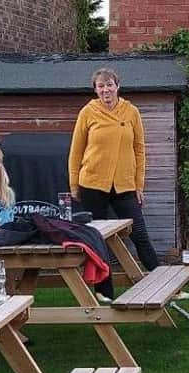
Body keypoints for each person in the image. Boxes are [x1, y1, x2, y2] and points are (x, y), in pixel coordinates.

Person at [69, 68, 158, 302]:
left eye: (109, 85)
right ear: (95, 89)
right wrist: (73, 183)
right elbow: (76, 151)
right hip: (92, 183)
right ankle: (104, 291)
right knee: (97, 238)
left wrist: (139, 185)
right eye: (100, 86)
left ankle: (161, 281)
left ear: (117, 86)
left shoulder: (131, 112)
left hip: (124, 184)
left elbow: (139, 149)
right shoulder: (88, 112)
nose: (105, 90)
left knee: (139, 233)